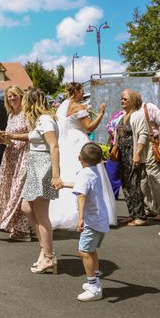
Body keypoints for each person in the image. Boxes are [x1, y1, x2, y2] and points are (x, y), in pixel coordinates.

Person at [2, 88, 62, 274]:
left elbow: (54, 146)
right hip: (36, 163)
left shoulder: (45, 120)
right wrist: (10, 136)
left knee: (41, 215)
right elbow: (32, 137)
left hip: (43, 164)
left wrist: (55, 174)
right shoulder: (39, 120)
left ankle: (49, 256)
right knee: (26, 208)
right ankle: (44, 251)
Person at [52, 82, 116, 230]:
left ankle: (64, 208)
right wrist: (101, 113)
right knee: (90, 172)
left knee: (68, 170)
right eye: (82, 91)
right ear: (76, 92)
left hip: (67, 142)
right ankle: (89, 212)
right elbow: (89, 127)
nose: (83, 94)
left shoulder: (64, 105)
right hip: (79, 140)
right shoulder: (79, 107)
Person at [64, 143, 110, 302]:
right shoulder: (93, 171)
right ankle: (95, 280)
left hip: (91, 220)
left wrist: (81, 218)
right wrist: (63, 184)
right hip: (100, 219)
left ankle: (94, 287)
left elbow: (82, 195)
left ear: (79, 158)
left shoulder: (84, 174)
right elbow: (82, 186)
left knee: (83, 252)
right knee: (90, 251)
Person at [0, 86, 31, 239]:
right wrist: (2, 138)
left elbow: (32, 135)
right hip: (10, 155)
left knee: (19, 191)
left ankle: (24, 230)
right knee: (8, 189)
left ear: (21, 96)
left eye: (14, 95)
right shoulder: (11, 115)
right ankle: (15, 225)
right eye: (9, 96)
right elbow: (11, 137)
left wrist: (12, 135)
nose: (11, 98)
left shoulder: (27, 113)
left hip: (23, 155)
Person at [114, 89, 150, 226]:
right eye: (122, 99)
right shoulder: (122, 116)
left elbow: (143, 135)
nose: (122, 101)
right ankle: (132, 214)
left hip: (132, 154)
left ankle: (140, 216)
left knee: (134, 185)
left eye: (125, 99)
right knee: (126, 185)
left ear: (134, 102)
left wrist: (137, 154)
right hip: (122, 155)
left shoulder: (138, 116)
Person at [140, 100, 160, 221]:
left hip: (152, 144)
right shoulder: (130, 111)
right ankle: (149, 208)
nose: (122, 101)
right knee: (142, 178)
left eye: (125, 98)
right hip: (140, 145)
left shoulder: (149, 107)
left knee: (154, 176)